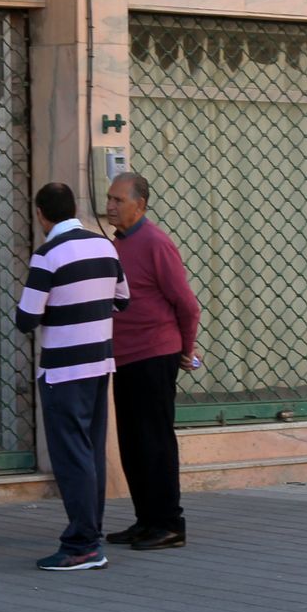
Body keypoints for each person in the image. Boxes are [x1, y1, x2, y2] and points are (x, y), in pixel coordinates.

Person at [15, 182, 129, 571]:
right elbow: (123, 300)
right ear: (74, 209)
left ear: (41, 214)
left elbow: (26, 318)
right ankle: (91, 536)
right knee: (91, 452)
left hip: (63, 370)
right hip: (100, 364)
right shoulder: (104, 246)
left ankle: (82, 545)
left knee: (72, 456)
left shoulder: (47, 255)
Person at [103, 172, 201, 551]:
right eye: (109, 199)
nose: (110, 206)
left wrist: (186, 349)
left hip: (155, 354)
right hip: (125, 357)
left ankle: (169, 523)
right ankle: (146, 520)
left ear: (140, 205)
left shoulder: (156, 242)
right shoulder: (118, 243)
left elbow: (187, 304)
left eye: (118, 200)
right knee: (131, 442)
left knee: (155, 441)